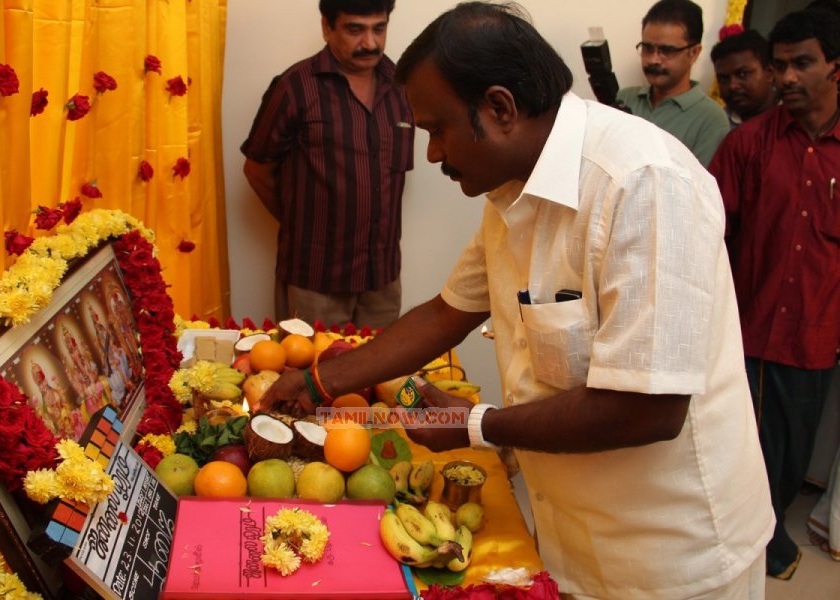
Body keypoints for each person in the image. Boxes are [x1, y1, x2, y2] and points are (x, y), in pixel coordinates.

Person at [262, 3, 774, 597]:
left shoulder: (644, 183)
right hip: (569, 535)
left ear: (500, 108)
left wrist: (475, 423)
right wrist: (319, 382)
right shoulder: (514, 188)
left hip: (672, 555)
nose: (431, 154)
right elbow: (447, 312)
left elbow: (648, 407)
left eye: (437, 129)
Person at [709, 6, 840, 580]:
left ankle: (768, 540)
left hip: (817, 334)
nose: (787, 78)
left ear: (836, 66)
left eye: (802, 63)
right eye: (780, 65)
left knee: (791, 458)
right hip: (752, 332)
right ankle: (758, 552)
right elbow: (710, 232)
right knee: (748, 457)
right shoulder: (748, 145)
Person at [241, 0, 414, 329]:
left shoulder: (401, 87)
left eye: (379, 28)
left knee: (386, 377)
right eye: (355, 30)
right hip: (315, 279)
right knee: (311, 378)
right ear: (327, 27)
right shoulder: (294, 88)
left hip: (383, 279)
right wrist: (307, 227)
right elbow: (257, 169)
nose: (370, 43)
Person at [616, 0, 729, 165]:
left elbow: (698, 188)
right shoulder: (624, 98)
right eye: (647, 48)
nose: (653, 59)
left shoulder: (711, 120)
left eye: (667, 50)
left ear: (694, 53)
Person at [710, 27, 778, 127]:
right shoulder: (714, 125)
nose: (732, 86)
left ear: (770, 73)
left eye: (742, 74)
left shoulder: (795, 121)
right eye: (723, 79)